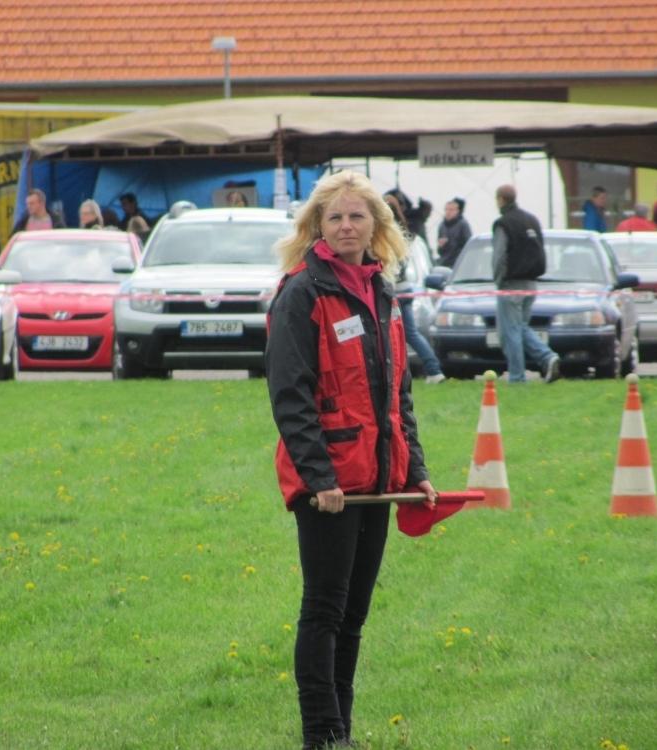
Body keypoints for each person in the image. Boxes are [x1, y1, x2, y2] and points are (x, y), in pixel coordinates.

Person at [265, 170, 437, 750]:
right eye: (334, 217)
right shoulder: (302, 294)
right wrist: (319, 478)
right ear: (318, 225)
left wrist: (415, 471)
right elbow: (290, 397)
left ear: (375, 225)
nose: (345, 226)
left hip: (378, 480)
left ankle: (343, 730)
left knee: (354, 615)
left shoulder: (381, 292)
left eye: (356, 216)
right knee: (324, 609)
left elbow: (398, 396)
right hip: (329, 486)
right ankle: (320, 733)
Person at [492, 184, 560, 383]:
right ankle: (547, 357)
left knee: (511, 331)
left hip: (511, 284)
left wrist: (498, 281)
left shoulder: (503, 223)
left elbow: (499, 256)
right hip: (531, 284)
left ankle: (517, 376)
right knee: (520, 327)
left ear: (501, 200)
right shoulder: (532, 220)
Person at [384, 192, 446, 383]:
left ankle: (424, 370)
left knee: (392, 334)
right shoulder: (404, 232)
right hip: (405, 289)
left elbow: (391, 266)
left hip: (394, 291)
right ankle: (434, 370)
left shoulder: (387, 234)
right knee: (409, 333)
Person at [436, 197, 472, 267]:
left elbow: (468, 245)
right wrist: (441, 246)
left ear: (457, 211)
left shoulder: (463, 225)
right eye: (446, 209)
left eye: (451, 210)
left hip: (458, 264)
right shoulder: (442, 226)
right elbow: (440, 251)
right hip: (444, 263)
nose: (448, 212)